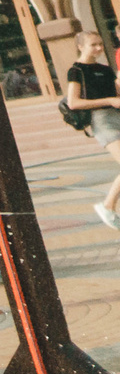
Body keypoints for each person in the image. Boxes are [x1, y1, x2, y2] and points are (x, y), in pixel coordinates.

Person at [65, 30, 120, 230]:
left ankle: (108, 205)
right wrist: (109, 101)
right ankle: (107, 205)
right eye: (93, 45)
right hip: (102, 120)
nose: (98, 48)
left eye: (100, 44)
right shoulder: (76, 70)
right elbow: (73, 102)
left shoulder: (105, 69)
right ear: (80, 46)